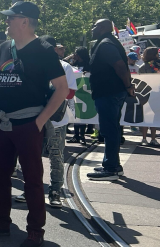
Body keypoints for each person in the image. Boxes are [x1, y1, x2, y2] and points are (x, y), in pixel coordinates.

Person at [0, 2, 68, 247]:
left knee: (32, 179)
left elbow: (62, 89)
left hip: (28, 123)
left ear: (25, 21)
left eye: (11, 18)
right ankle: (1, 223)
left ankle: (34, 230)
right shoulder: (3, 49)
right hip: (2, 122)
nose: (6, 22)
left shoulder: (44, 50)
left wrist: (39, 122)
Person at [83, 19, 134, 180]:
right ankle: (111, 164)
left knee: (109, 129)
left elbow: (120, 66)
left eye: (95, 26)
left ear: (103, 28)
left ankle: (112, 168)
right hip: (110, 92)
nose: (92, 28)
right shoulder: (107, 42)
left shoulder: (105, 44)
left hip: (108, 92)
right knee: (111, 128)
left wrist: (128, 86)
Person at [39, 35, 77, 208]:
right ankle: (32, 189)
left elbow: (70, 93)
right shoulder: (32, 65)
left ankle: (55, 191)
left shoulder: (65, 67)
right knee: (32, 156)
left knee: (56, 156)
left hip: (56, 120)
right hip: (35, 118)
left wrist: (52, 89)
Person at [68, 47, 91, 144]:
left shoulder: (89, 65)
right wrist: (70, 57)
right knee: (76, 114)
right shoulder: (73, 65)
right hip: (76, 93)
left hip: (85, 93)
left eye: (76, 53)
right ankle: (76, 135)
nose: (74, 55)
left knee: (82, 115)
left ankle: (82, 135)